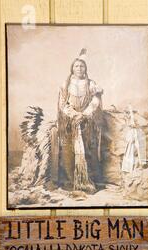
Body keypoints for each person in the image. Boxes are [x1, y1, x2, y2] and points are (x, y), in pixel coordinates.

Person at [57, 48, 104, 193]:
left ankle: (89, 179)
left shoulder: (91, 84)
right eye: (76, 66)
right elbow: (62, 103)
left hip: (86, 121)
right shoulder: (66, 84)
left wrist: (83, 115)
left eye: (82, 66)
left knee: (89, 149)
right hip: (69, 121)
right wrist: (73, 115)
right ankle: (70, 181)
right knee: (68, 150)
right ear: (72, 68)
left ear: (85, 68)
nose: (79, 68)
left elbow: (95, 102)